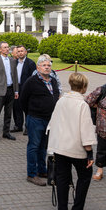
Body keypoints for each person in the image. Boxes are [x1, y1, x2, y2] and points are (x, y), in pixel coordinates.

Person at [47, 73, 96, 210]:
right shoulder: (82, 105)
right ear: (84, 87)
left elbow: (52, 123)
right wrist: (90, 153)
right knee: (85, 177)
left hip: (61, 147)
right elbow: (86, 130)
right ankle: (77, 209)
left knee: (62, 178)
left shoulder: (61, 101)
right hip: (76, 148)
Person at [20, 55, 61, 186]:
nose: (47, 67)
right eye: (44, 65)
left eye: (49, 65)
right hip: (35, 119)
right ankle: (31, 174)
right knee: (34, 146)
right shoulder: (31, 82)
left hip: (49, 120)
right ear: (38, 67)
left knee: (44, 146)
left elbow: (55, 96)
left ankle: (42, 170)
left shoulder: (53, 81)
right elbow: (23, 100)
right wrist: (32, 112)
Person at [0, 42, 19, 142]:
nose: (7, 49)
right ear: (0, 50)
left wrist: (16, 90)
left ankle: (6, 132)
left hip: (11, 90)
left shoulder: (12, 60)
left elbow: (15, 76)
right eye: (5, 47)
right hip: (0, 91)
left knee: (8, 113)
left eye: (8, 47)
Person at [12, 46, 36, 133]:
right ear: (16, 53)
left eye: (22, 51)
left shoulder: (31, 63)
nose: (20, 53)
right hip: (16, 88)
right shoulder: (14, 62)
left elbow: (33, 77)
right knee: (16, 107)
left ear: (25, 52)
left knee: (27, 108)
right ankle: (18, 125)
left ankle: (27, 127)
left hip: (26, 88)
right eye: (18, 51)